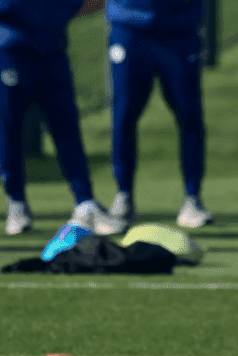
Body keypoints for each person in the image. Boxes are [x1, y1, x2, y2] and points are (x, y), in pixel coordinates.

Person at [0, 0, 126, 236]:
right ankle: (16, 202)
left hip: (52, 52)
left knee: (66, 128)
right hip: (10, 52)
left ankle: (85, 203)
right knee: (9, 130)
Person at [105, 0, 213, 229]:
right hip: (129, 28)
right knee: (123, 115)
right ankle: (123, 195)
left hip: (179, 30)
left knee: (189, 115)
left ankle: (192, 198)